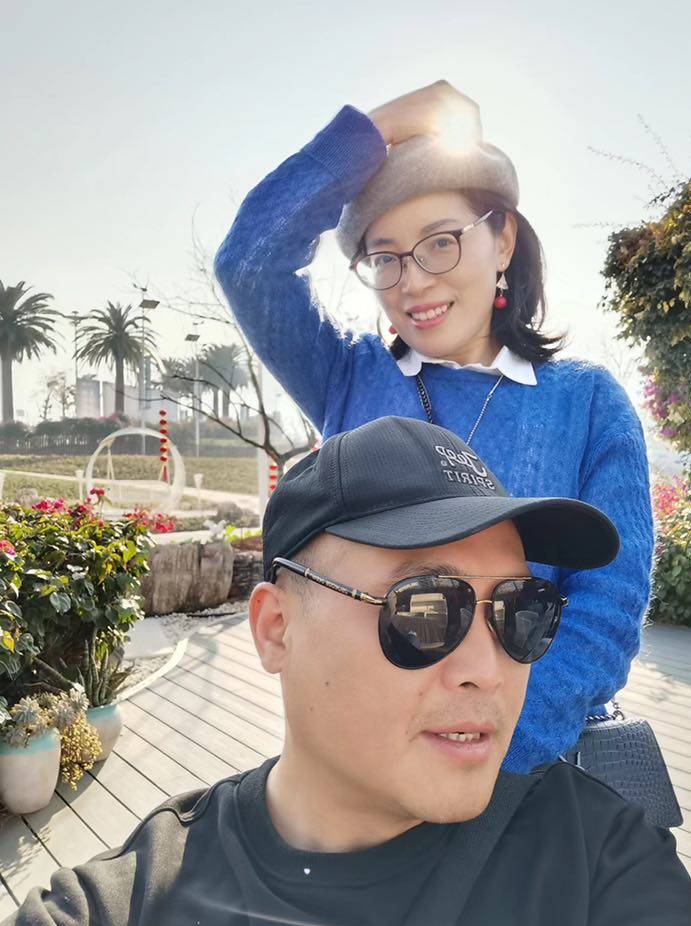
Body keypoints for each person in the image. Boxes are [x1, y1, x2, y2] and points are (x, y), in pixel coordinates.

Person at [0, 418, 691, 926]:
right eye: (425, 609)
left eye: (519, 612)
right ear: (276, 629)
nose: (488, 669)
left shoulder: (601, 865)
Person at [214, 81, 655, 775]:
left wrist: (489, 756)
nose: (412, 282)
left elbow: (607, 609)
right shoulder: (346, 376)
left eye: (441, 242)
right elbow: (248, 261)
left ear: (503, 239)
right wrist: (376, 128)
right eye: (384, 256)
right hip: (365, 761)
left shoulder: (586, 403)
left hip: (522, 767)